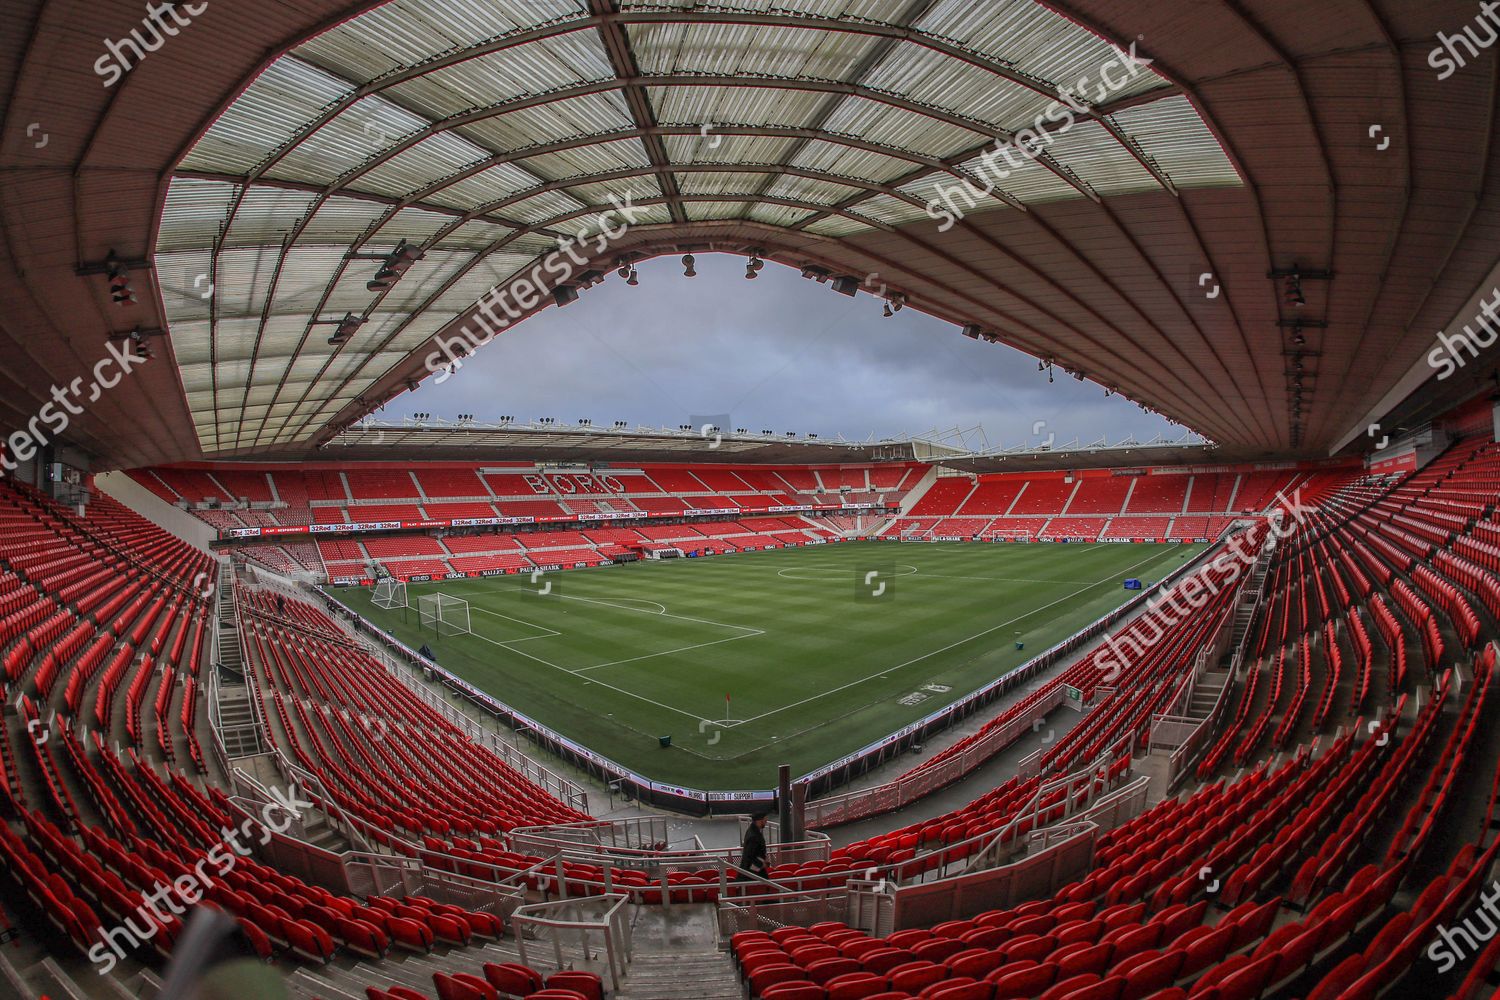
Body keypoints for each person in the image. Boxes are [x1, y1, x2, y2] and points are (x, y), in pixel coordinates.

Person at [740, 812, 769, 879]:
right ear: (759, 820)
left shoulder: (752, 831)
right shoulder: (754, 836)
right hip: (752, 872)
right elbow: (750, 855)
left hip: (751, 870)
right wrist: (762, 864)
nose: (766, 822)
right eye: (765, 820)